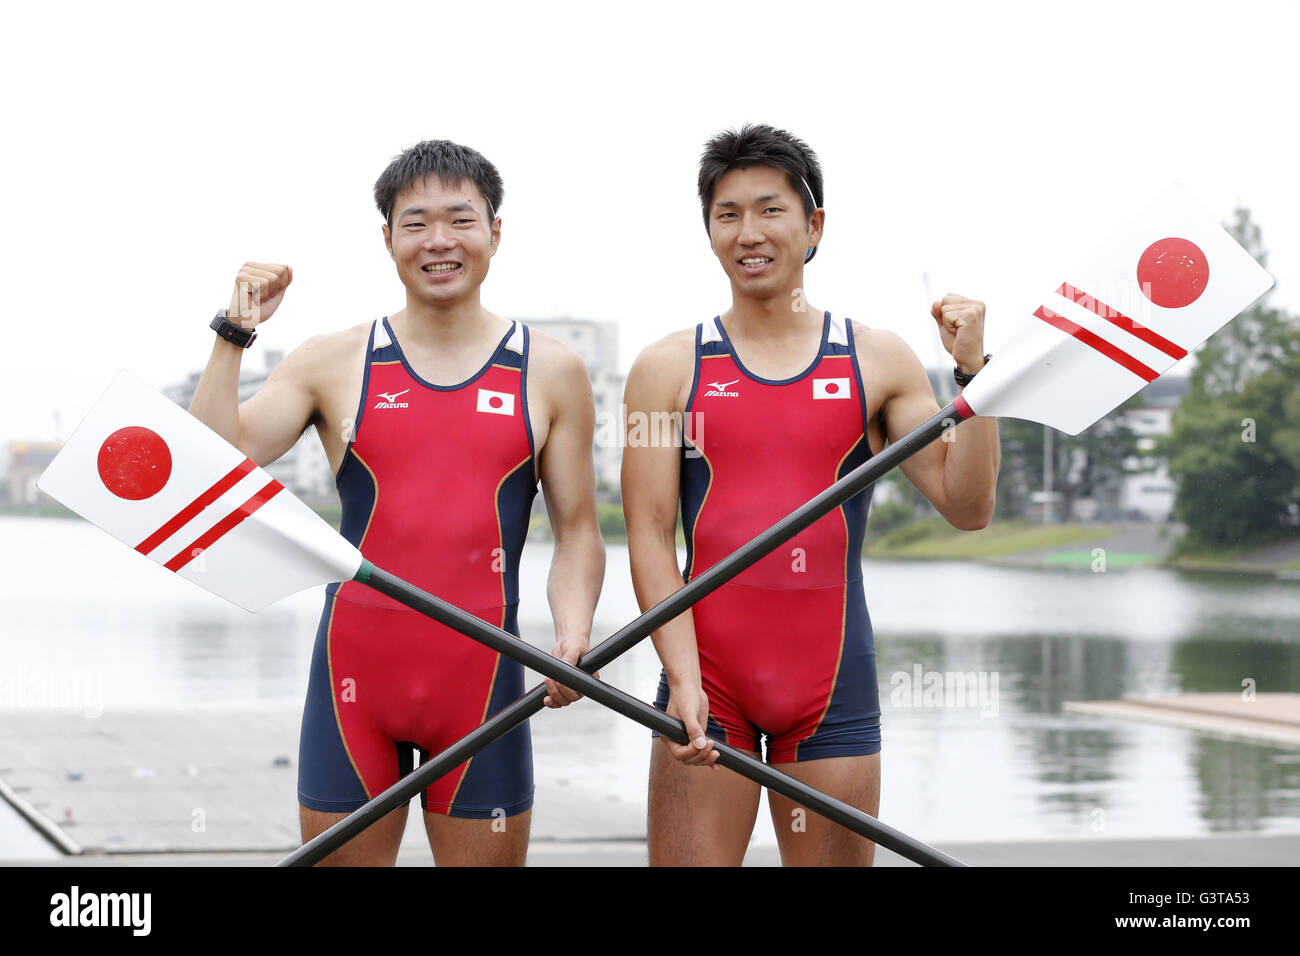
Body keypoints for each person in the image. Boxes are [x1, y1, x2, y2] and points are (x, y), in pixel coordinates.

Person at [189, 140, 605, 866]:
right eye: (415, 223)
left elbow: (576, 533)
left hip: (484, 688)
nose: (439, 241)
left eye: (460, 219)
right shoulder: (334, 359)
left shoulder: (552, 371)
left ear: (495, 233)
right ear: (387, 239)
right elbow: (215, 459)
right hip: (354, 688)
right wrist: (234, 331)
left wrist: (572, 637)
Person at [622, 124, 1000, 866]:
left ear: (814, 225)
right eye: (727, 214)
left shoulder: (877, 358)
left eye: (770, 210)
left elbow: (967, 505)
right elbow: (648, 533)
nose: (748, 232)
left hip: (830, 684)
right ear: (708, 231)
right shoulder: (665, 367)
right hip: (707, 684)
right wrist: (683, 681)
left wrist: (975, 375)